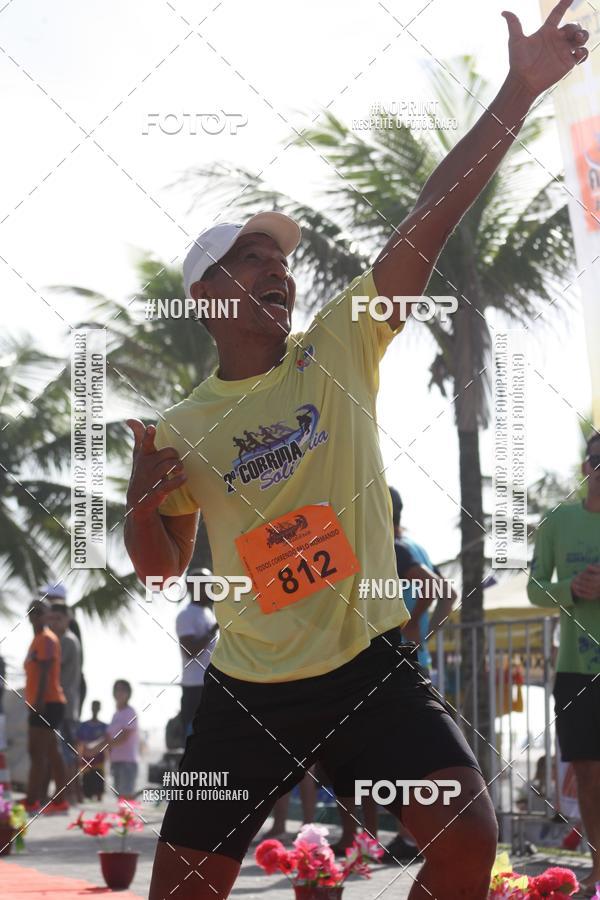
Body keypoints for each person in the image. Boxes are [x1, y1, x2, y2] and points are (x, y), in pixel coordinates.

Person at [124, 9, 588, 897]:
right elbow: (156, 568)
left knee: (466, 842)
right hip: (249, 689)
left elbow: (431, 213)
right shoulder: (179, 427)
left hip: (367, 670)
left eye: (282, 260)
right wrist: (145, 499)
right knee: (180, 893)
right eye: (252, 258)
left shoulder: (339, 346)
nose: (280, 268)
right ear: (206, 296)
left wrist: (520, 89)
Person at [333, 487, 457, 859]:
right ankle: (372, 836)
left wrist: (412, 626)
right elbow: (447, 594)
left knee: (371, 750)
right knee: (385, 751)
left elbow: (438, 590)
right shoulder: (413, 545)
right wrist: (422, 636)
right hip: (408, 664)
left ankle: (391, 837)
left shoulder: (396, 548)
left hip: (393, 666)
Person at [528, 431, 600, 893]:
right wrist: (571, 588)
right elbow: (536, 589)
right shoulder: (559, 521)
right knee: (590, 775)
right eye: (597, 459)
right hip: (575, 670)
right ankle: (599, 865)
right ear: (585, 468)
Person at [23, 599, 68, 814]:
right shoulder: (37, 640)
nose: (36, 615)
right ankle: (60, 799)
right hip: (44, 702)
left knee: (37, 752)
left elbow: (44, 672)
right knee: (51, 752)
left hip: (47, 702)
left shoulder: (47, 639)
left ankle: (32, 800)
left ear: (46, 615)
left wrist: (38, 701)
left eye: (40, 611)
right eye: (32, 611)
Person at [175, 567, 219, 740]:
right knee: (193, 739)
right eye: (205, 583)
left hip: (209, 686)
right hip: (194, 688)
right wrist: (215, 629)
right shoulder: (186, 615)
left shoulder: (208, 613)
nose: (209, 587)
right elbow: (189, 651)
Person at [49, 602, 82, 803]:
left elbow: (53, 668)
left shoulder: (66, 641)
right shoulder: (65, 640)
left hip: (65, 706)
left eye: (57, 618)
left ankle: (65, 794)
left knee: (65, 753)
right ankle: (71, 794)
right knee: (67, 752)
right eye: (51, 618)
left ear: (66, 620)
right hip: (67, 705)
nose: (53, 622)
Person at [105, 679, 139, 800]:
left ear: (128, 693)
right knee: (120, 797)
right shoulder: (115, 714)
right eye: (117, 689)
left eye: (123, 690)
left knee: (126, 797)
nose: (119, 693)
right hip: (116, 761)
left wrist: (102, 745)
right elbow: (108, 738)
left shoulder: (130, 712)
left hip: (128, 762)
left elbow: (124, 737)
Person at [77, 701, 108, 801]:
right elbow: (79, 744)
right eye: (93, 706)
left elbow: (107, 745)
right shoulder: (83, 726)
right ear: (91, 708)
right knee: (86, 791)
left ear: (99, 708)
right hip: (86, 764)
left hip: (99, 763)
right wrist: (79, 760)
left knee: (99, 791)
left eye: (97, 707)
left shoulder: (104, 727)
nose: (95, 709)